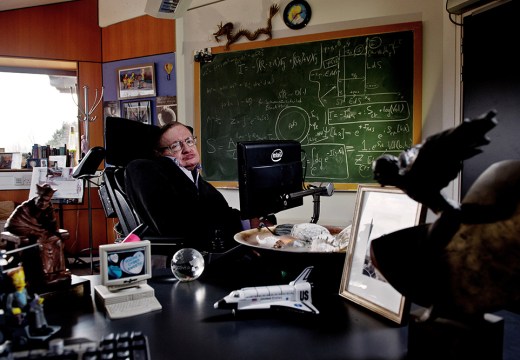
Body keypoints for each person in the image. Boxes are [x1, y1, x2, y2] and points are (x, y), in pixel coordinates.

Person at [125, 122, 260, 253]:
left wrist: (253, 219)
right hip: (192, 257)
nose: (187, 149)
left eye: (189, 141)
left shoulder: (200, 183)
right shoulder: (148, 173)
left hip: (222, 249)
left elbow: (223, 212)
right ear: (161, 154)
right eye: (175, 146)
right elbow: (178, 224)